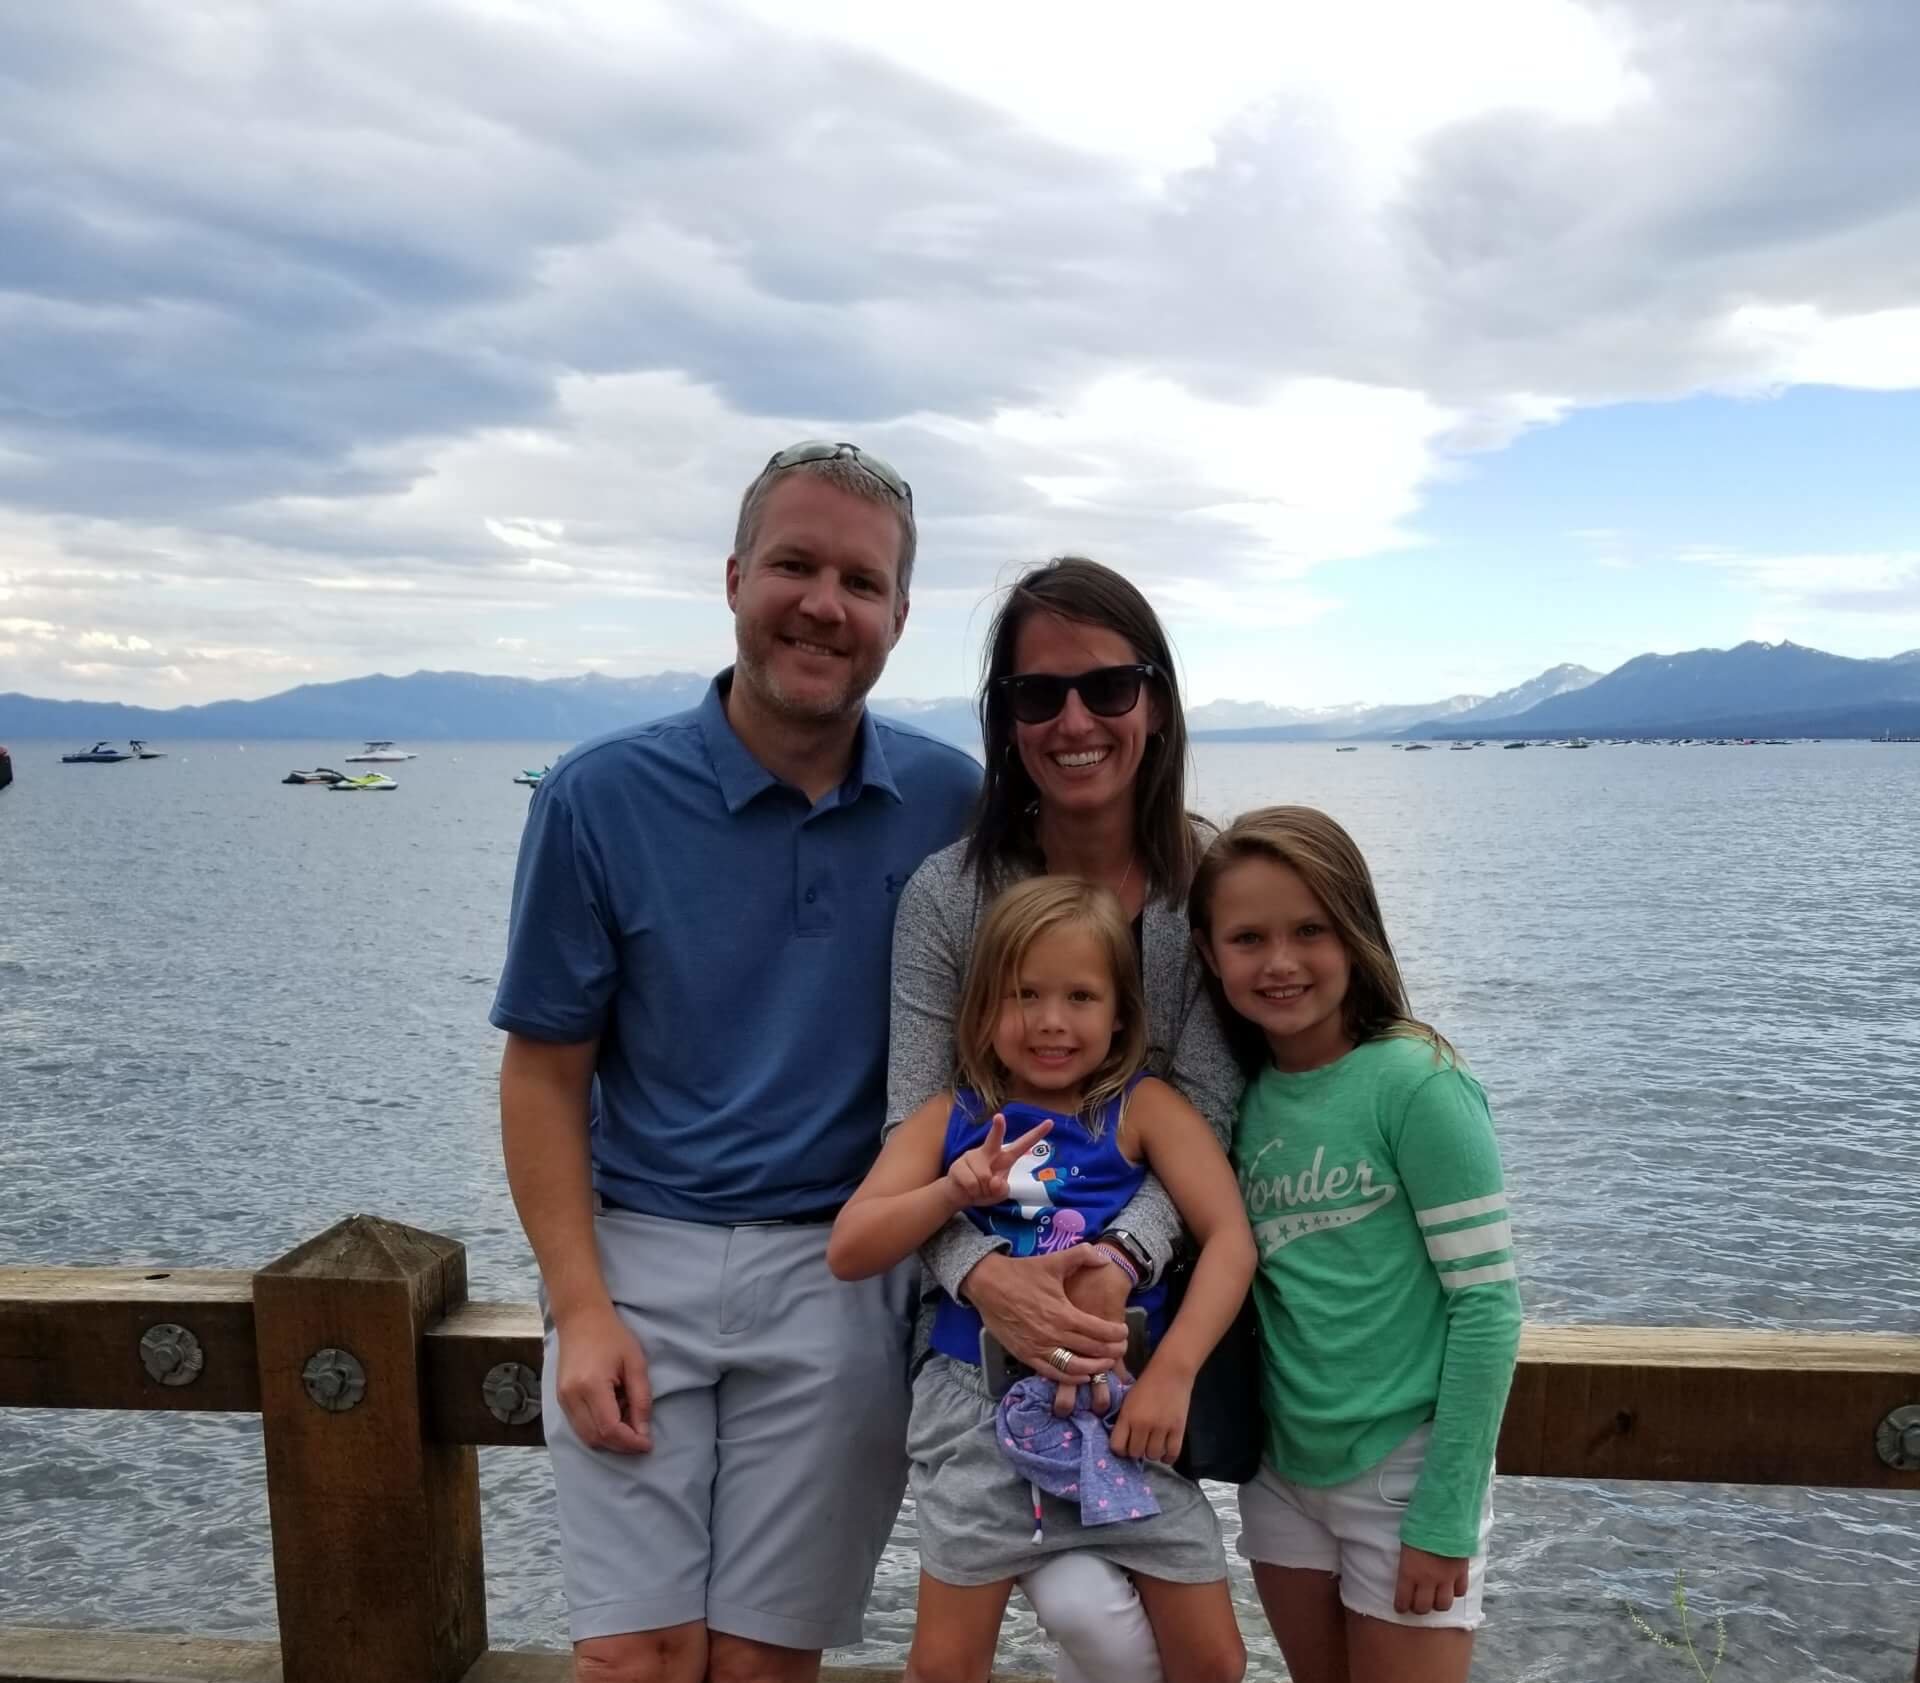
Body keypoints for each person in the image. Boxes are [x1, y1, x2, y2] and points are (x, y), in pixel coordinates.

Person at [491, 441, 980, 1683]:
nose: (825, 603)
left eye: (861, 582)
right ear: (733, 578)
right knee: (634, 1656)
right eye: (795, 565)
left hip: (843, 1265)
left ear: (899, 618)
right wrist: (581, 1307)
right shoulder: (599, 799)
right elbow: (545, 1073)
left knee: (767, 1665)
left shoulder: (954, 804)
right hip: (638, 1259)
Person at [887, 556, 1246, 1681]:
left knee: (1148, 1630)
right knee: (1070, 1615)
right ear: (1003, 719)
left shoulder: (1211, 889)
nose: (1074, 720)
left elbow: (1204, 1118)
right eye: (1036, 696)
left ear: (1159, 701)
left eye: (1109, 686)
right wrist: (985, 1277)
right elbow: (911, 1126)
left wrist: (1110, 1265)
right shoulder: (949, 896)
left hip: (1140, 1354)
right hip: (973, 1358)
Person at [833, 876, 1254, 1683]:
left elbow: (1230, 1238)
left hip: (1125, 1414)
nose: (1052, 1019)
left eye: (1081, 995)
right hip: (975, 1415)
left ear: (1122, 1014)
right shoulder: (949, 1117)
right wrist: (950, 1191)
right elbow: (851, 1244)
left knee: (1214, 1659)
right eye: (1023, 994)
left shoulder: (1146, 1108)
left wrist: (1173, 1373)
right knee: (947, 1664)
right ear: (983, 1009)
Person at [1187, 806, 1523, 1683]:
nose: (1281, 961)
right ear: (1209, 953)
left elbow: (1487, 1305)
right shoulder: (1237, 1101)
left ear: (1358, 933)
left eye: (1311, 930)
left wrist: (1447, 1515)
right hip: (1280, 1471)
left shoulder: (1417, 1082)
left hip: (1404, 1475)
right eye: (1248, 937)